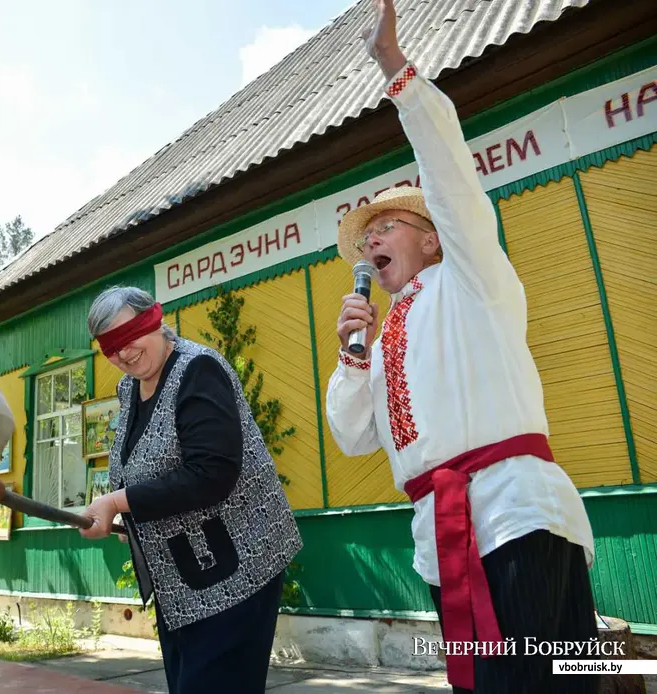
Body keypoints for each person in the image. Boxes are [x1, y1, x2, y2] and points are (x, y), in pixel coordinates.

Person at [325, 2, 597, 692]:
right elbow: (354, 438)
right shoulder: (385, 333)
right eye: (366, 237)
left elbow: (452, 181)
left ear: (432, 236)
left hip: (516, 514)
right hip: (442, 535)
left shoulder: (471, 278)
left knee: (543, 684)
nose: (372, 241)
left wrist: (397, 71)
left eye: (387, 225)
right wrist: (353, 355)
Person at [78, 285, 303, 694]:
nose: (123, 354)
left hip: (238, 571)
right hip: (181, 583)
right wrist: (117, 516)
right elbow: (145, 472)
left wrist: (117, 501)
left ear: (155, 321)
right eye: (111, 348)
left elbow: (210, 474)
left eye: (130, 337)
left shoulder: (198, 369)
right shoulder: (130, 389)